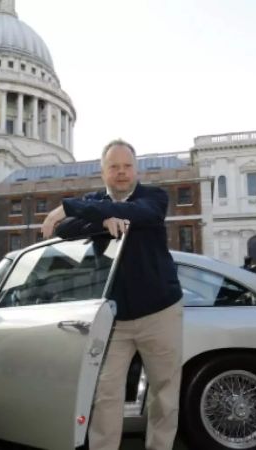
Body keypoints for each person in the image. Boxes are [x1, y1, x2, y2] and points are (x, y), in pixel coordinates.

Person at [42, 139, 183, 450]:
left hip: (160, 312)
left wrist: (70, 206)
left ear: (136, 170)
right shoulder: (95, 201)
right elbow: (64, 230)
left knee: (165, 393)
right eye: (114, 167)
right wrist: (102, 219)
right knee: (105, 394)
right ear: (102, 172)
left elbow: (140, 214)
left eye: (127, 166)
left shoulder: (154, 197)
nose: (121, 173)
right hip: (113, 318)